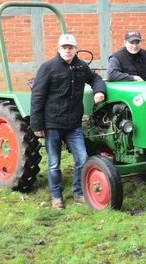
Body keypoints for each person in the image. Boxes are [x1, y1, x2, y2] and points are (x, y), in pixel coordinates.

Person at [30, 34, 106, 209]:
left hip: (74, 124)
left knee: (82, 158)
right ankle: (56, 196)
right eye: (64, 47)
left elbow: (95, 78)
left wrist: (98, 91)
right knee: (54, 163)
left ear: (75, 49)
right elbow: (37, 97)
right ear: (59, 49)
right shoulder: (48, 67)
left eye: (70, 47)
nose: (67, 50)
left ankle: (78, 192)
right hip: (53, 124)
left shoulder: (81, 66)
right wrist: (36, 125)